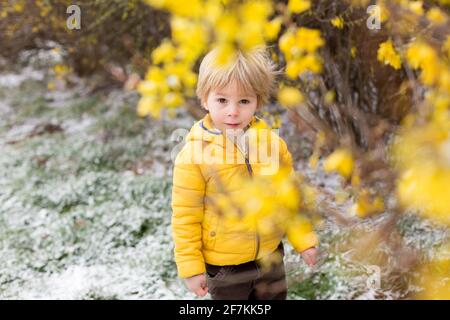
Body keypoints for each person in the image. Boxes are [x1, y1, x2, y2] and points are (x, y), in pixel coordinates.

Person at [171, 46, 318, 300]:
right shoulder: (194, 156)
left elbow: (290, 197)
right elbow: (185, 217)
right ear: (205, 99)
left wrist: (304, 239)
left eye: (244, 101)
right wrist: (191, 268)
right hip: (225, 268)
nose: (233, 111)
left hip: (271, 257)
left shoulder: (272, 145)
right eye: (222, 100)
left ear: (258, 101)